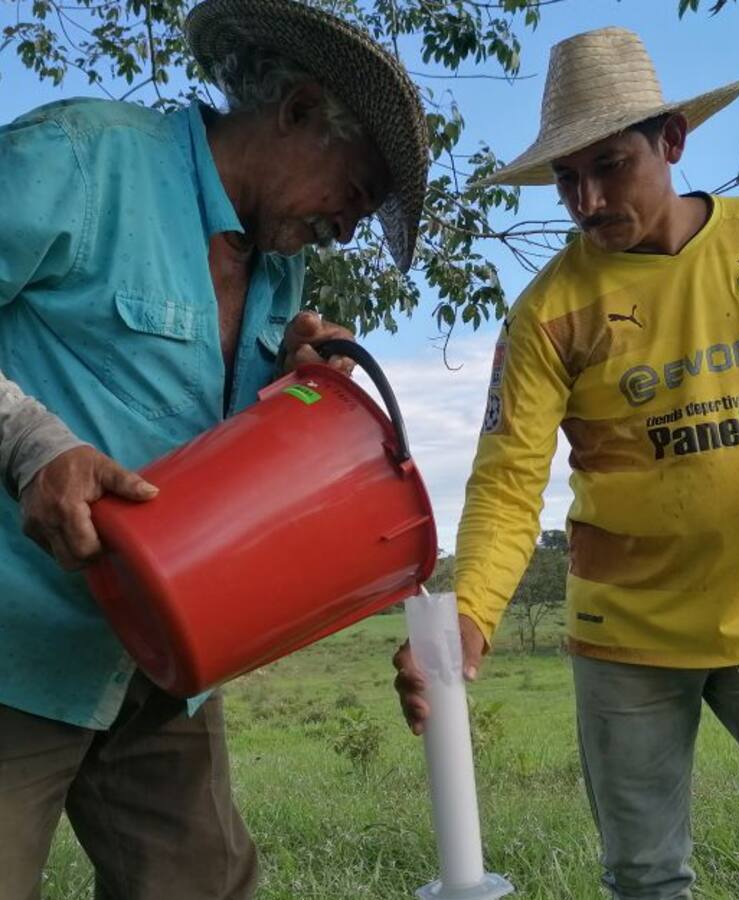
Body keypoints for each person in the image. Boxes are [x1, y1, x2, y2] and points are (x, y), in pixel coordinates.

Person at [394, 25, 739, 900]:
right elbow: (510, 482)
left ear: (672, 142)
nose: (586, 199)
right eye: (566, 177)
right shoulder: (547, 313)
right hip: (625, 637)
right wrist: (472, 613)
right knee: (644, 876)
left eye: (610, 166)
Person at [0, 0, 428, 896]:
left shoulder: (280, 269)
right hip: (17, 641)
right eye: (353, 192)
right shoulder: (82, 161)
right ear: (301, 110)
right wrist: (30, 441)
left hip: (159, 656)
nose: (349, 226)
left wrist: (294, 384)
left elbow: (210, 443)